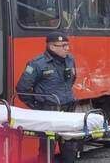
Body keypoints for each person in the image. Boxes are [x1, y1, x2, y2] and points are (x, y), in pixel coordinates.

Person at [16, 31, 77, 163]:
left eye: (67, 45)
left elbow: (71, 80)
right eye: (63, 45)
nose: (67, 48)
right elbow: (22, 89)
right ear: (52, 47)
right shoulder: (37, 64)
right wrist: (38, 106)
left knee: (70, 148)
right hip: (49, 110)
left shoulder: (70, 60)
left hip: (68, 109)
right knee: (47, 149)